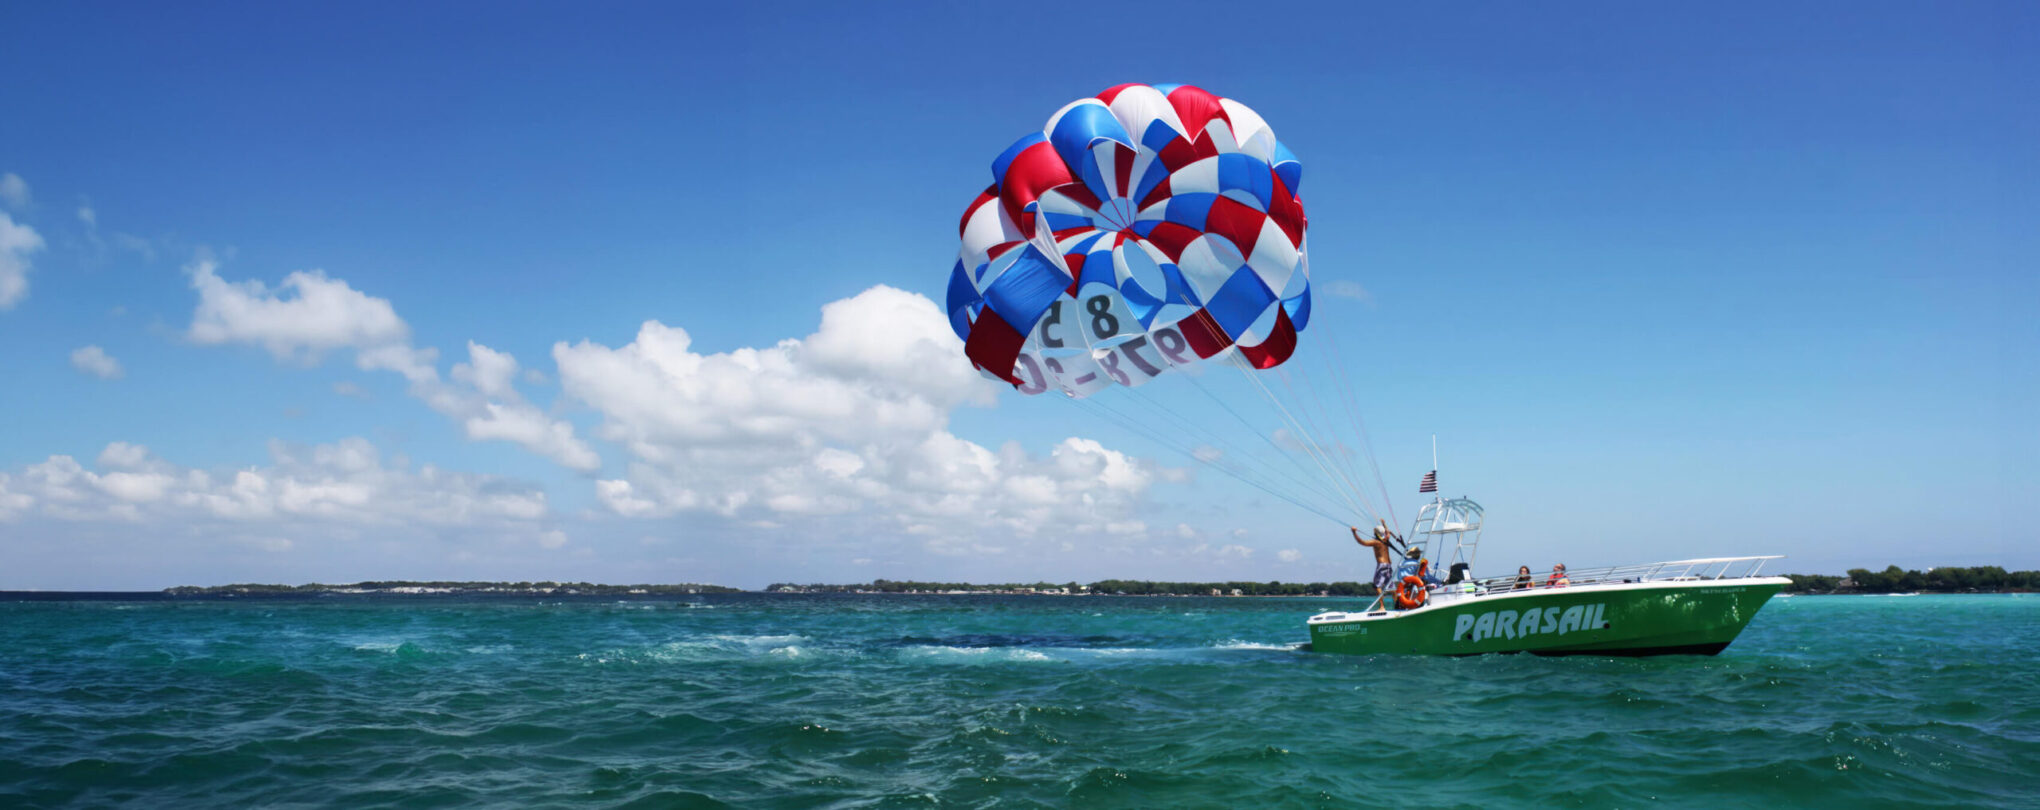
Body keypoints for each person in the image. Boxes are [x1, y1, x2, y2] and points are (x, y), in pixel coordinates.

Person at [1351, 521, 1398, 602]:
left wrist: (1354, 532)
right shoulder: (1386, 539)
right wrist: (1384, 523)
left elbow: (1362, 542)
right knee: (1391, 586)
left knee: (1377, 586)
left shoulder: (1376, 542)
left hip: (1381, 565)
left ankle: (1382, 606)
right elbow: (1387, 532)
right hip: (1388, 565)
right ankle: (1398, 604)